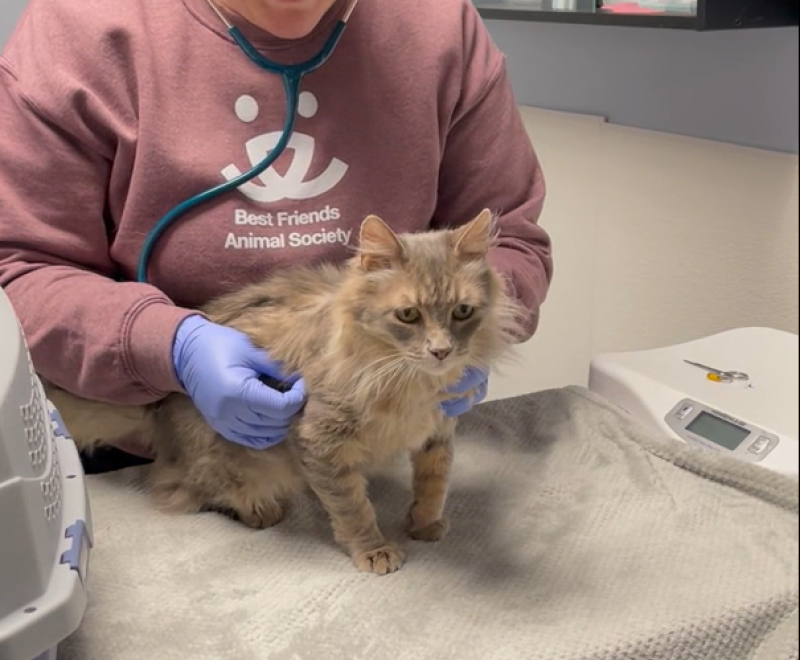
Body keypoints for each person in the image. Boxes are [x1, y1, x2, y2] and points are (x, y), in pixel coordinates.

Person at [0, 0, 553, 472]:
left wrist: (480, 329)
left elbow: (514, 243)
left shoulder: (439, 26)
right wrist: (166, 346)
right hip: (153, 437)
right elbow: (17, 268)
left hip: (376, 430)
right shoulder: (78, 29)